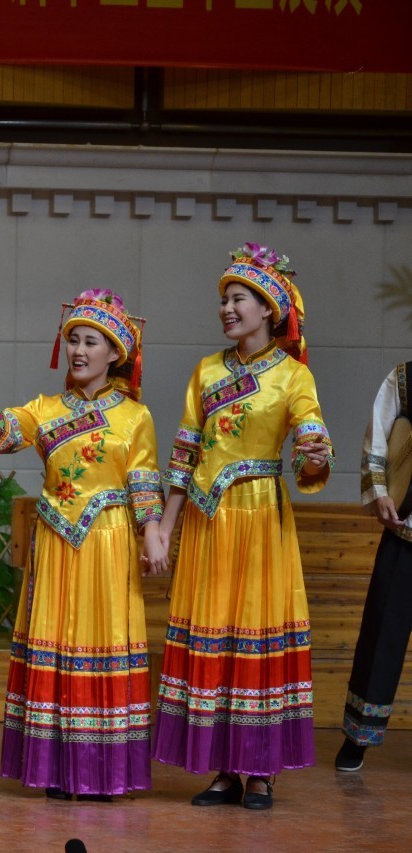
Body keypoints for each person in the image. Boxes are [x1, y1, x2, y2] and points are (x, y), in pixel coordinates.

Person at [0, 289, 167, 801]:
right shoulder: (48, 408)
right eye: (73, 339)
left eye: (91, 342)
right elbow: (7, 430)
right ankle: (59, 766)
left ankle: (104, 771)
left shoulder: (135, 417)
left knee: (103, 644)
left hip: (109, 545)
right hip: (57, 542)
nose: (79, 350)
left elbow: (144, 481)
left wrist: (152, 535)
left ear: (115, 353)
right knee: (56, 647)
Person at [153, 243, 332, 810]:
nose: (227, 309)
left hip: (258, 516)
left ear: (268, 309)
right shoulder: (206, 371)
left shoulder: (293, 376)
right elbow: (184, 453)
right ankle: (225, 771)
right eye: (225, 300)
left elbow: (311, 443)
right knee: (218, 636)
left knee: (254, 635)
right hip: (209, 522)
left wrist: (315, 454)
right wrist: (166, 526)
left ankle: (260, 771)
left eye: (239, 299)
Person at [336, 362, 412, 771]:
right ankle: (358, 736)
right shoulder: (405, 378)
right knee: (381, 637)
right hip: (406, 532)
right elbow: (378, 441)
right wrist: (382, 494)